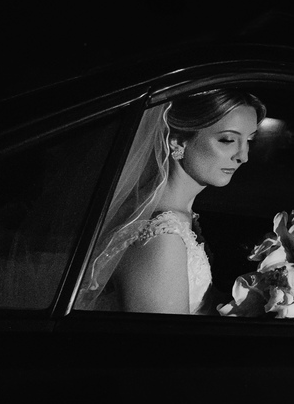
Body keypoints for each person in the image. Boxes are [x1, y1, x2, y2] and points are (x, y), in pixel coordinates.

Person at [77, 88, 265, 314]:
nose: (243, 156)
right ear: (177, 141)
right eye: (227, 140)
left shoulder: (179, 218)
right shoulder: (160, 237)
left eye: (249, 141)